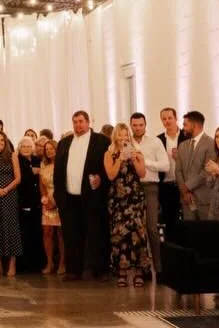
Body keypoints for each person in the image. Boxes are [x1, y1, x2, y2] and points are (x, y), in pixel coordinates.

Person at [54, 110, 110, 280]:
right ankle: (73, 270)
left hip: (92, 197)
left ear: (88, 122)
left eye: (81, 121)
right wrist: (58, 194)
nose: (78, 125)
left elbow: (107, 166)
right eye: (75, 122)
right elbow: (58, 170)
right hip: (69, 197)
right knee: (71, 235)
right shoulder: (64, 142)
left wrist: (101, 177)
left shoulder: (101, 141)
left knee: (96, 233)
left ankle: (100, 270)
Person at [105, 122, 151, 287]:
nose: (123, 138)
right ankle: (122, 272)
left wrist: (135, 159)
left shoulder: (137, 151)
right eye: (120, 135)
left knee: (138, 233)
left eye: (126, 135)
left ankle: (140, 272)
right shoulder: (109, 153)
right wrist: (120, 159)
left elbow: (142, 173)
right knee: (119, 235)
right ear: (115, 136)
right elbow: (110, 175)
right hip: (118, 199)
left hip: (134, 198)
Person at [130, 112, 169, 274]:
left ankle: (159, 267)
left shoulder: (155, 142)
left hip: (150, 187)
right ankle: (142, 267)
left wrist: (144, 162)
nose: (138, 128)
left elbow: (165, 166)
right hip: (131, 189)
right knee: (136, 229)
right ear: (131, 125)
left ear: (145, 125)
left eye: (141, 125)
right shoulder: (126, 142)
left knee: (152, 228)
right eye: (135, 125)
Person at [0, 131, 22, 277]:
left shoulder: (12, 155)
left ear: (6, 141)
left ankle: (12, 264)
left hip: (10, 195)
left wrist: (6, 189)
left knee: (11, 227)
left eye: (2, 140)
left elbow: (18, 177)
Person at [171, 111, 217, 221]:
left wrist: (188, 186)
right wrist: (184, 191)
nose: (183, 128)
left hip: (204, 198)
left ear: (195, 125)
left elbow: (207, 171)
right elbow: (178, 171)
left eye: (185, 125)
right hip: (186, 199)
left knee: (206, 233)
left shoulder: (211, 143)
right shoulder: (182, 145)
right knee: (190, 234)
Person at [14, 134, 45, 273]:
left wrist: (36, 172)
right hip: (23, 201)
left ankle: (37, 264)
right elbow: (19, 179)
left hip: (37, 202)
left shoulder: (37, 159)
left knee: (36, 234)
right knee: (24, 234)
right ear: (19, 148)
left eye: (29, 146)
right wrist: (31, 172)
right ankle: (23, 266)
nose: (26, 149)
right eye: (24, 146)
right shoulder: (17, 161)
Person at [38, 138, 64, 275]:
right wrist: (45, 200)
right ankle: (49, 262)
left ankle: (62, 263)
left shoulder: (62, 165)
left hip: (60, 201)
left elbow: (63, 184)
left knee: (61, 234)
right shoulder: (44, 167)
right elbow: (42, 187)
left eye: (51, 148)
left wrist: (56, 201)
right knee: (47, 233)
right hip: (47, 202)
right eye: (46, 149)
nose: (49, 151)